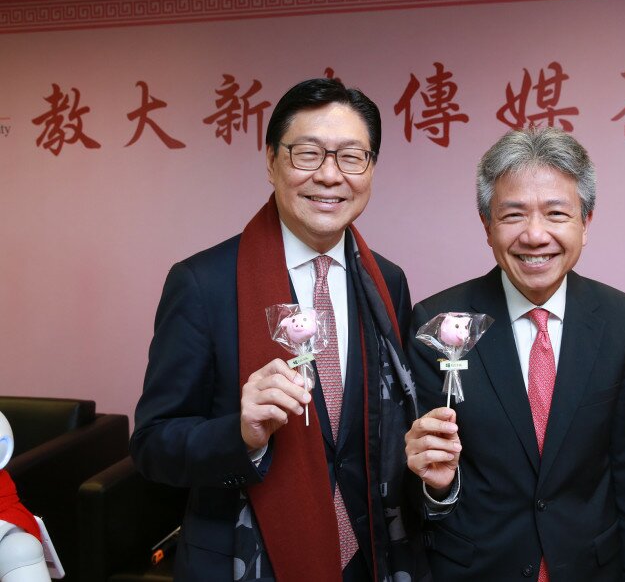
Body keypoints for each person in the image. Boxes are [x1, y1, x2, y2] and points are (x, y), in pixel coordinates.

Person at [131, 78, 429, 582]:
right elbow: (153, 447)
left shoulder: (388, 281)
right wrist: (241, 434)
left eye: (352, 157)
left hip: (368, 553)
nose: (330, 176)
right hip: (244, 559)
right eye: (308, 153)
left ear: (371, 169)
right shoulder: (203, 284)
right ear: (271, 161)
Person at [405, 127, 625, 581]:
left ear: (586, 223)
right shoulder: (440, 322)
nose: (535, 234)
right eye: (513, 215)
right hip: (477, 569)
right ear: (487, 226)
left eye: (557, 213)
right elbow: (422, 477)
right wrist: (435, 487)